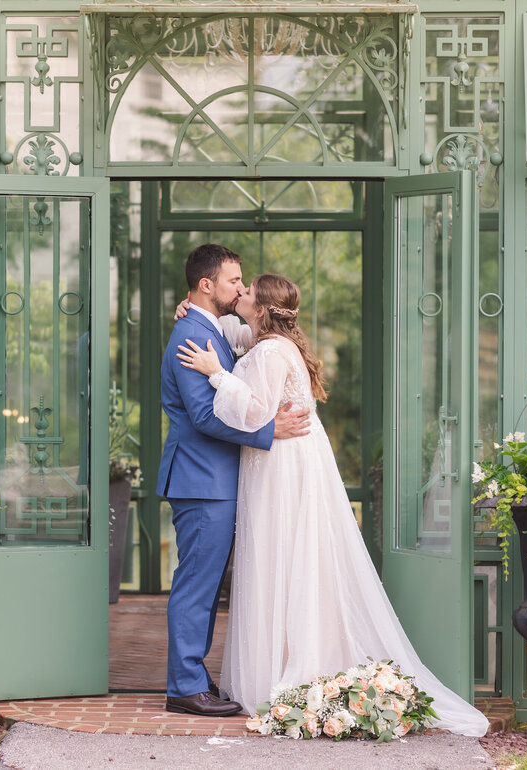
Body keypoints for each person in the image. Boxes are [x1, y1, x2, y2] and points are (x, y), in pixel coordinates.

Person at [176, 272, 489, 737]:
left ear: (261, 310)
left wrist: (216, 373)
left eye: (246, 293)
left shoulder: (267, 351)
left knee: (277, 556)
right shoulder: (278, 343)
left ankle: (280, 666)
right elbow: (227, 329)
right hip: (294, 460)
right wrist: (188, 309)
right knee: (293, 557)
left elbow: (252, 411)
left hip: (278, 464)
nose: (239, 295)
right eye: (235, 286)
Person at [159, 245, 311, 718]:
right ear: (206, 285)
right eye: (233, 281)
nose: (240, 290)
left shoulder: (211, 327)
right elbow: (204, 414)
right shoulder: (191, 333)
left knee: (205, 586)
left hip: (215, 480)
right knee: (196, 586)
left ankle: (193, 677)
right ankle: (184, 686)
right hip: (202, 481)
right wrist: (270, 431)